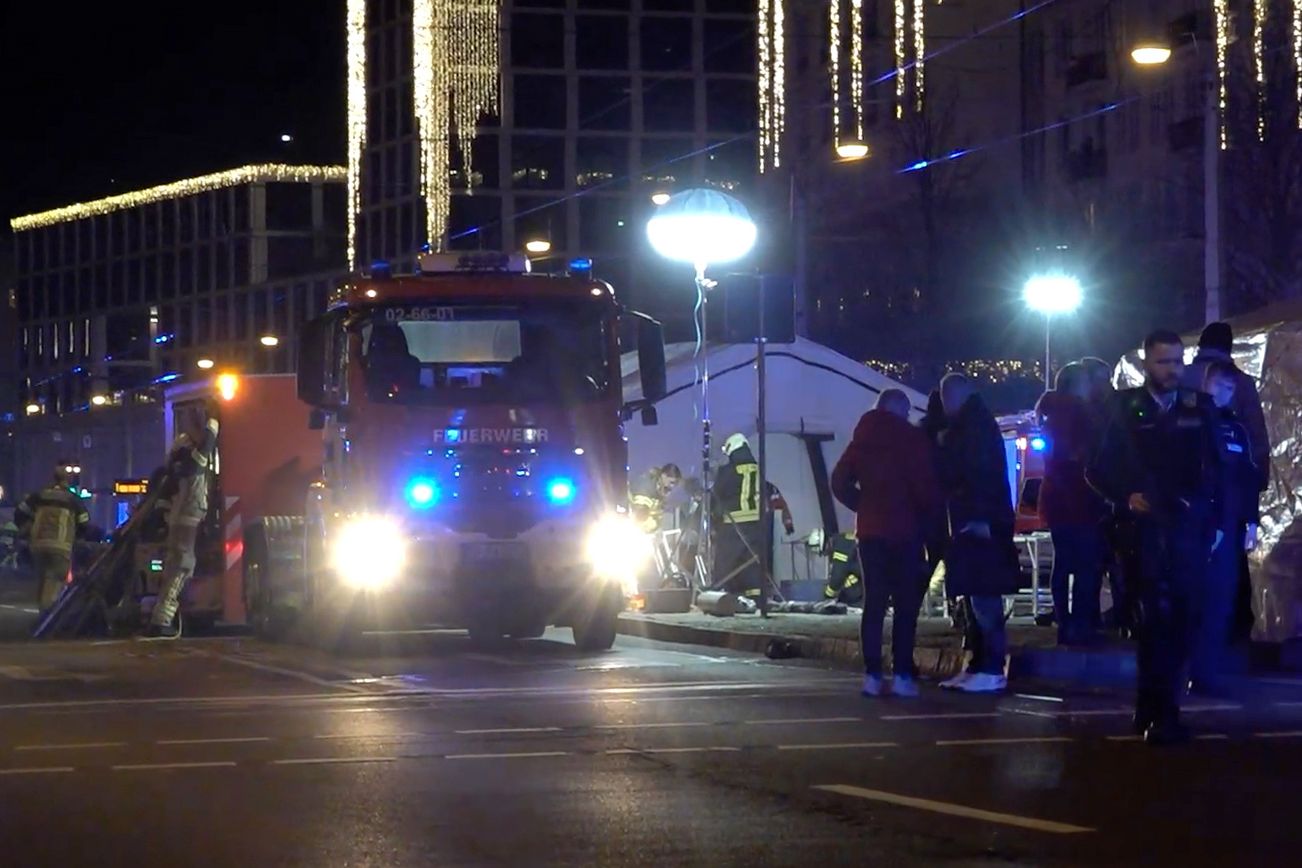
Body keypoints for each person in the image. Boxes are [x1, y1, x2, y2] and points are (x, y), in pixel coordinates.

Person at [1088, 329, 1226, 745]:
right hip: (1142, 530)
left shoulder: (1198, 407)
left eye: (1177, 361)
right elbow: (1095, 467)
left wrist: (1216, 520)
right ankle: (1155, 710)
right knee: (1153, 622)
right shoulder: (1124, 407)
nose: (1172, 369)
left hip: (1186, 526)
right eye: (1164, 361)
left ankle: (1162, 707)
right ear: (1147, 363)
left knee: (1183, 618)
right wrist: (1125, 496)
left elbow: (1216, 467)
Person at [831, 388, 944, 698]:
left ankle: (872, 675)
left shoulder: (862, 437)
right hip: (906, 531)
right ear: (900, 410)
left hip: (870, 532)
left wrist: (863, 505)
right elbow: (925, 488)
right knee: (906, 606)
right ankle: (903, 674)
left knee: (874, 603)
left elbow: (838, 481)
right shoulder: (911, 440)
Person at [932, 374, 1019, 693]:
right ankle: (979, 666)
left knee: (983, 598)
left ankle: (991, 666)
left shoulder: (972, 429)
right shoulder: (975, 424)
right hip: (975, 520)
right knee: (976, 598)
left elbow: (979, 473)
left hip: (977, 522)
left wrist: (981, 516)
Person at [1184, 322, 1270, 643]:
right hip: (1228, 500)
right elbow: (1256, 445)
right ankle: (1227, 641)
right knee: (1227, 576)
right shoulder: (1240, 385)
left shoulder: (1183, 378)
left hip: (1189, 503)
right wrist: (1253, 501)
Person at [1192, 361, 1260, 693]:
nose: (1226, 394)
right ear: (1208, 384)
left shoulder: (1236, 430)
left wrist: (1252, 521)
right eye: (1221, 386)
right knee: (1192, 602)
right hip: (1197, 526)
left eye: (1231, 388)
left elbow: (1247, 478)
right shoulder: (1190, 420)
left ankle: (1206, 673)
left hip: (1229, 529)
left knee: (1221, 602)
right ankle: (1188, 671)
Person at [1035, 362, 1108, 645]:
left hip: (1055, 497)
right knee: (1086, 564)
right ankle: (1080, 624)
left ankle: (1064, 623)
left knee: (1063, 562)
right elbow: (1084, 453)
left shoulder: (1049, 410)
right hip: (1080, 495)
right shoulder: (1079, 411)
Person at [141, 410, 220, 640]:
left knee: (176, 567)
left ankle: (161, 617)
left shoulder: (175, 466)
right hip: (188, 519)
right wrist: (214, 421)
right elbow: (206, 445)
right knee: (182, 567)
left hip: (180, 520)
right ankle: (162, 620)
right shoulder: (191, 462)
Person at [711, 434, 794, 604]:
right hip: (756, 526)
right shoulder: (758, 470)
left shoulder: (726, 471)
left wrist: (715, 520)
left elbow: (717, 497)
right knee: (752, 564)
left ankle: (718, 596)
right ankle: (757, 597)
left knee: (724, 563)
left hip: (733, 526)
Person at [17, 463, 90, 611]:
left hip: (37, 545)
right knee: (55, 580)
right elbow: (84, 523)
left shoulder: (39, 495)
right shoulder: (73, 500)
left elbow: (20, 512)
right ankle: (47, 617)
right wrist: (76, 537)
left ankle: (41, 612)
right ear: (68, 480)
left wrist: (26, 529)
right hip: (61, 546)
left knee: (42, 578)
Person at [629, 464, 683, 534]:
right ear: (664, 476)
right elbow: (640, 514)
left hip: (642, 530)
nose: (672, 486)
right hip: (627, 523)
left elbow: (657, 515)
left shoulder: (660, 491)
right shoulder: (645, 485)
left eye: (675, 484)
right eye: (671, 482)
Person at [822, 532, 864, 606]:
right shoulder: (846, 540)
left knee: (848, 584)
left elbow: (837, 577)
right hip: (878, 584)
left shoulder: (842, 546)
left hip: (862, 596)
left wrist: (827, 595)